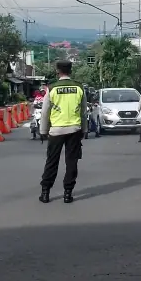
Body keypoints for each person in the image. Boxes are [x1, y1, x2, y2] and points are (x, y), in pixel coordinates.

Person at [39, 60, 87, 204]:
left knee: (52, 162)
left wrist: (43, 130)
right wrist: (84, 129)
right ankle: (68, 193)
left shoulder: (52, 88)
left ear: (58, 71)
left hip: (56, 130)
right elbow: (84, 112)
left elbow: (45, 111)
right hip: (74, 129)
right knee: (71, 162)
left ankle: (45, 193)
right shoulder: (79, 87)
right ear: (71, 71)